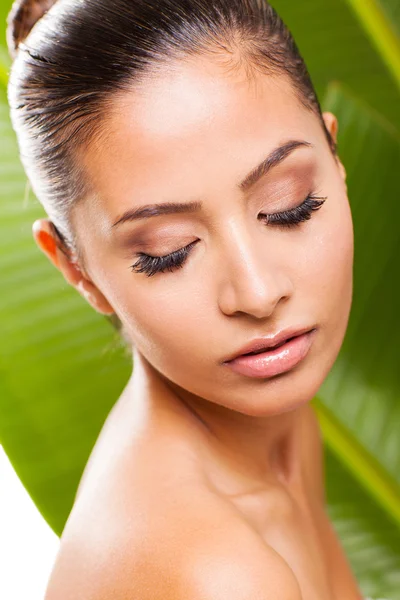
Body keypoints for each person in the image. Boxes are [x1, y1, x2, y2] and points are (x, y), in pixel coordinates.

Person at [6, 0, 381, 598]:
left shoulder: (274, 426)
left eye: (289, 206)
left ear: (335, 160)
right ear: (76, 268)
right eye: (169, 251)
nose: (258, 294)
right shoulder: (215, 572)